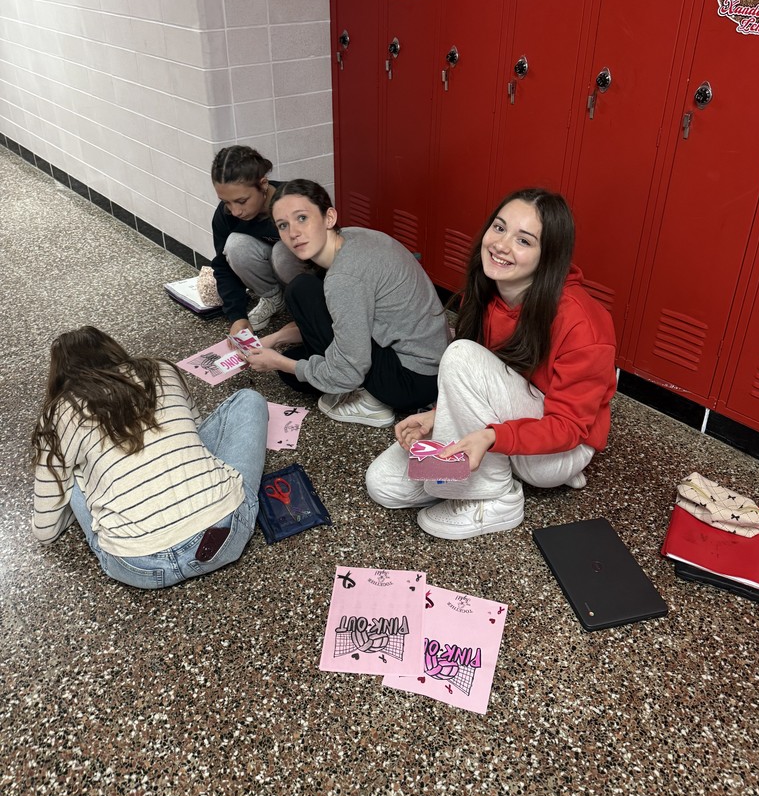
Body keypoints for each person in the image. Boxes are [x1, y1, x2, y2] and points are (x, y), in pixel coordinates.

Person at [365, 188, 617, 540]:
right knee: (383, 484)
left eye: (524, 241)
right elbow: (479, 383)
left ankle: (499, 496)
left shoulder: (583, 322)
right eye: (499, 228)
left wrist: (492, 436)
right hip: (504, 429)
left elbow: (570, 427)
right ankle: (492, 469)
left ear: (549, 257)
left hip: (558, 452)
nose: (501, 244)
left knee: (460, 354)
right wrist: (436, 416)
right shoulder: (487, 293)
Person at [31, 326, 268, 589]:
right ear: (113, 349)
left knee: (69, 474)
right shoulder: (160, 369)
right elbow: (196, 431)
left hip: (138, 565)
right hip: (228, 533)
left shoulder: (57, 413)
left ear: (59, 376)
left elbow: (46, 529)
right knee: (248, 399)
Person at [245, 179, 450, 427]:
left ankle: (373, 402)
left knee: (292, 365)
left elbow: (346, 372)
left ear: (329, 217)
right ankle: (349, 381)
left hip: (410, 381)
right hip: (433, 363)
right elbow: (344, 318)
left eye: (302, 218)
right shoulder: (354, 237)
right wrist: (276, 339)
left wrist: (276, 361)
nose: (293, 233)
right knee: (302, 307)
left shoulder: (343, 278)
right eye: (283, 225)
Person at [210, 145, 310, 335]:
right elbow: (223, 267)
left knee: (283, 250)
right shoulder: (226, 215)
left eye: (241, 201)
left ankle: (303, 304)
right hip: (273, 277)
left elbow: (327, 259)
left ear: (263, 184)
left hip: (308, 281)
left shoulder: (296, 203)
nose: (235, 211)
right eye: (226, 202)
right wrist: (237, 316)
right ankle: (273, 299)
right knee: (235, 245)